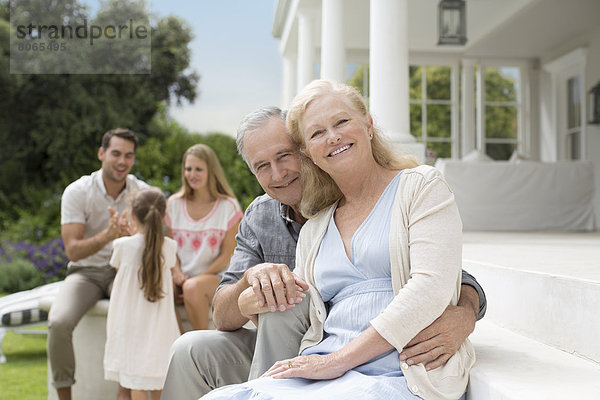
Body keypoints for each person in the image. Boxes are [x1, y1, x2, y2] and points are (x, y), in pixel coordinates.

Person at [160, 107, 485, 400]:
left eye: (284, 155)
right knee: (189, 349)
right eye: (262, 166)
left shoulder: (351, 192)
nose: (278, 173)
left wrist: (465, 313)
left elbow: (448, 274)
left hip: (353, 344)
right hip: (285, 343)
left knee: (286, 302)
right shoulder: (260, 215)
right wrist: (250, 282)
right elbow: (221, 315)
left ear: (306, 149)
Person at [49, 128, 148, 400]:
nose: (122, 161)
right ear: (102, 154)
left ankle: (123, 392)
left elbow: (160, 235)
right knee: (58, 322)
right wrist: (107, 235)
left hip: (123, 272)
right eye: (116, 153)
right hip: (86, 272)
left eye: (129, 156)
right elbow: (73, 251)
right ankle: (65, 396)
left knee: (137, 317)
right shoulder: (78, 192)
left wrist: (137, 235)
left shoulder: (141, 191)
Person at [104, 187, 180, 400]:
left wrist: (130, 237)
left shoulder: (122, 246)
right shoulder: (169, 247)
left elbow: (120, 269)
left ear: (132, 215)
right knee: (157, 381)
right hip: (159, 327)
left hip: (131, 326)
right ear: (164, 216)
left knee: (135, 381)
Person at [165, 144, 243, 330]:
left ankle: (201, 344)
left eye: (199, 169)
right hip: (182, 276)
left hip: (216, 276)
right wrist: (176, 273)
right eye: (188, 169)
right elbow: (170, 248)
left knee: (192, 287)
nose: (192, 174)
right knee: (159, 285)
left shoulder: (228, 207)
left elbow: (227, 255)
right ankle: (177, 341)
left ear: (211, 171)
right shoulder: (174, 204)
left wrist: (197, 277)